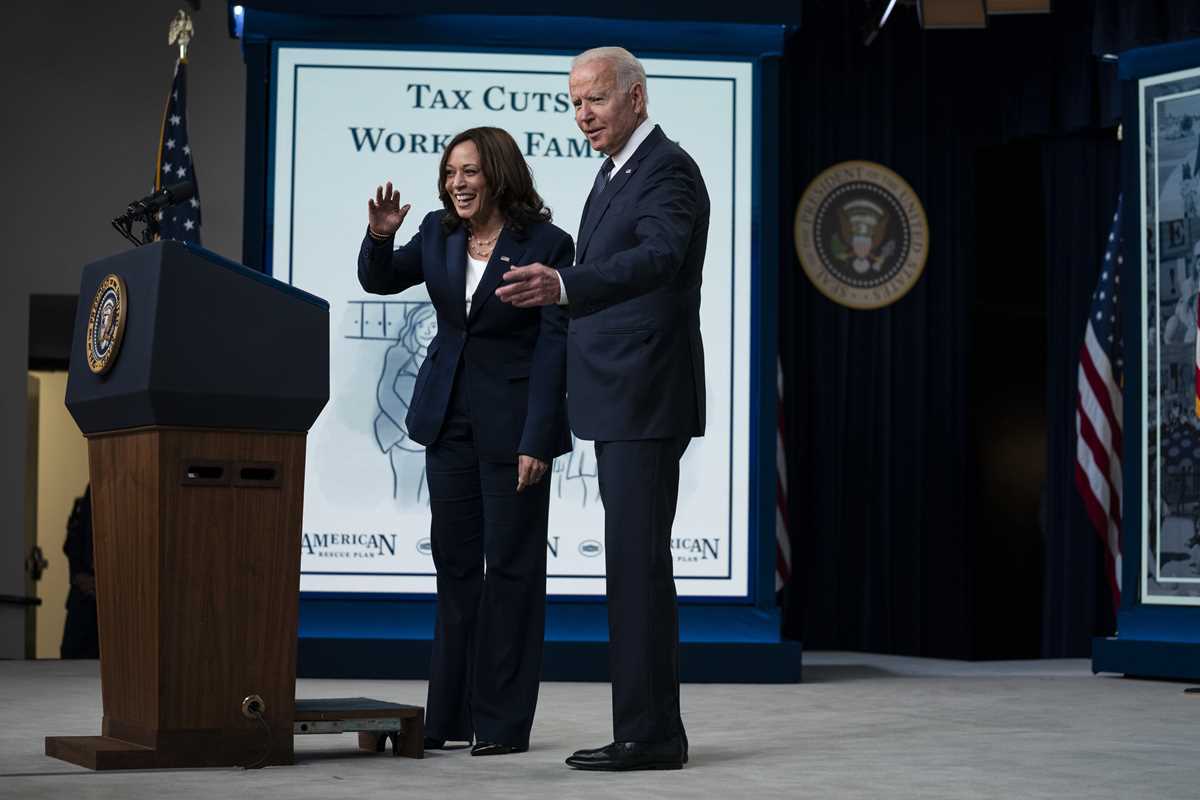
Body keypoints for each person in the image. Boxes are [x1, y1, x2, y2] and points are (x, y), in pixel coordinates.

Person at [496, 46, 709, 771]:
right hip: (618, 393)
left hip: (645, 392)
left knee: (637, 568)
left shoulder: (667, 169)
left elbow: (659, 257)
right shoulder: (615, 171)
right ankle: (648, 729)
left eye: (595, 99)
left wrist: (565, 285)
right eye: (574, 104)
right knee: (631, 566)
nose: (582, 115)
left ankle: (650, 736)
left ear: (635, 97)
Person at [358, 126, 574, 756]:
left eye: (470, 171)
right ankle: (448, 715)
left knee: (510, 568)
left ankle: (502, 724)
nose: (457, 183)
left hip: (515, 428)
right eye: (451, 172)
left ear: (498, 175)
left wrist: (539, 436)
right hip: (447, 420)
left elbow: (555, 347)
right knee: (455, 566)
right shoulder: (438, 232)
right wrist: (380, 236)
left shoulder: (548, 245)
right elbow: (380, 280)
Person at [61, 485, 99, 659]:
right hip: (83, 602)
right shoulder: (92, 491)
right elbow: (72, 543)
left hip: (111, 603)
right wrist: (78, 576)